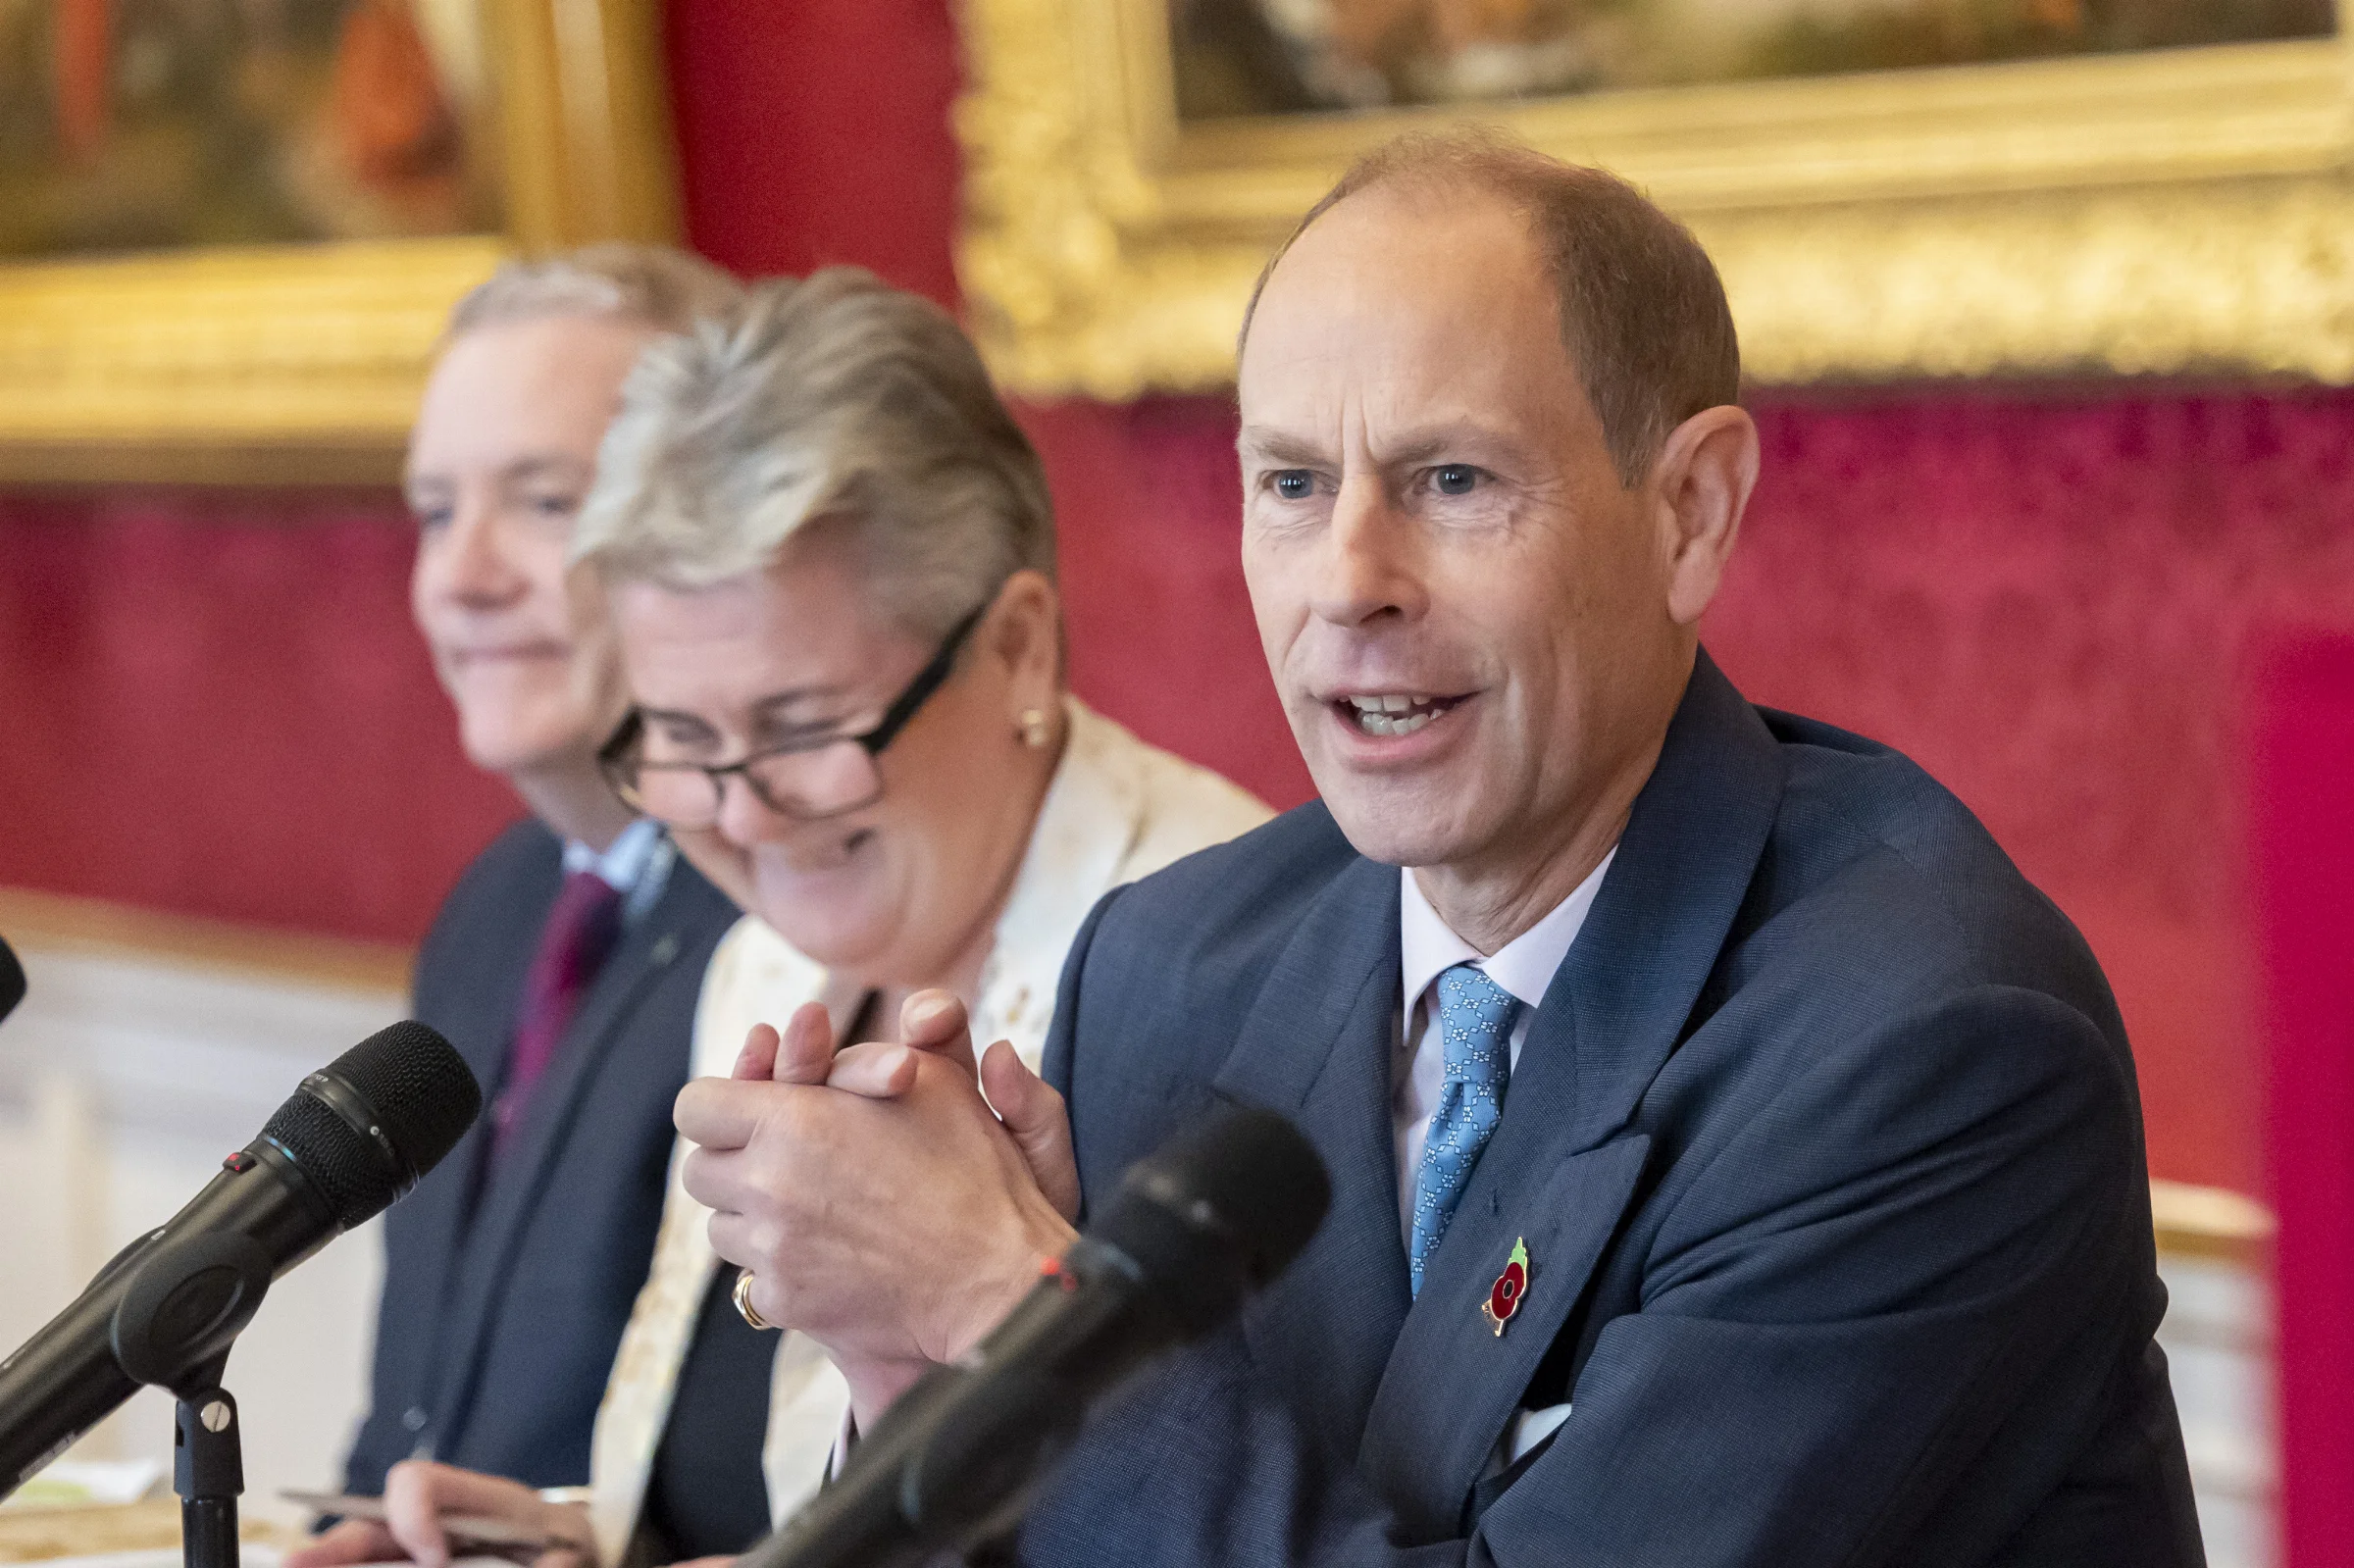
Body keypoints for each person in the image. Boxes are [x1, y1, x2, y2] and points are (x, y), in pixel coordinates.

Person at [675, 133, 2205, 1565]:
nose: (1351, 581)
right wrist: (918, 1362)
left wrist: (1008, 1299)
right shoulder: (1166, 964)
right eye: (1292, 483)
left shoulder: (1927, 1046)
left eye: (1452, 481)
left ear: (1689, 511)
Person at [296, 268, 1271, 1568]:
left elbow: (1230, 1525)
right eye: (682, 739)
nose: (744, 816)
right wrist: (581, 1543)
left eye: (805, 728)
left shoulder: (1231, 969)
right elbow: (810, 1501)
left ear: (1019, 649)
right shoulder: (770, 959)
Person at [326, 248, 746, 1503]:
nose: (463, 578)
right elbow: (414, 1417)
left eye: (547, 503)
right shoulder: (496, 907)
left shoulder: (803, 928)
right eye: (435, 512)